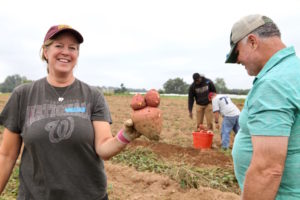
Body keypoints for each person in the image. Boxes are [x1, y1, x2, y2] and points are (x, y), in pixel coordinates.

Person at [0, 25, 141, 200]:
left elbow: (103, 147)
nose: (66, 52)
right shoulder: (23, 95)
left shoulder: (92, 95)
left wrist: (126, 136)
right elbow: (6, 156)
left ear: (77, 55)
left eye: (72, 48)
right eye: (59, 46)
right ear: (45, 51)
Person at [226, 14, 300, 199]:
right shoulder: (293, 71)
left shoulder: (273, 84)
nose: (238, 62)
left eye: (236, 54)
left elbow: (267, 170)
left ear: (252, 42)